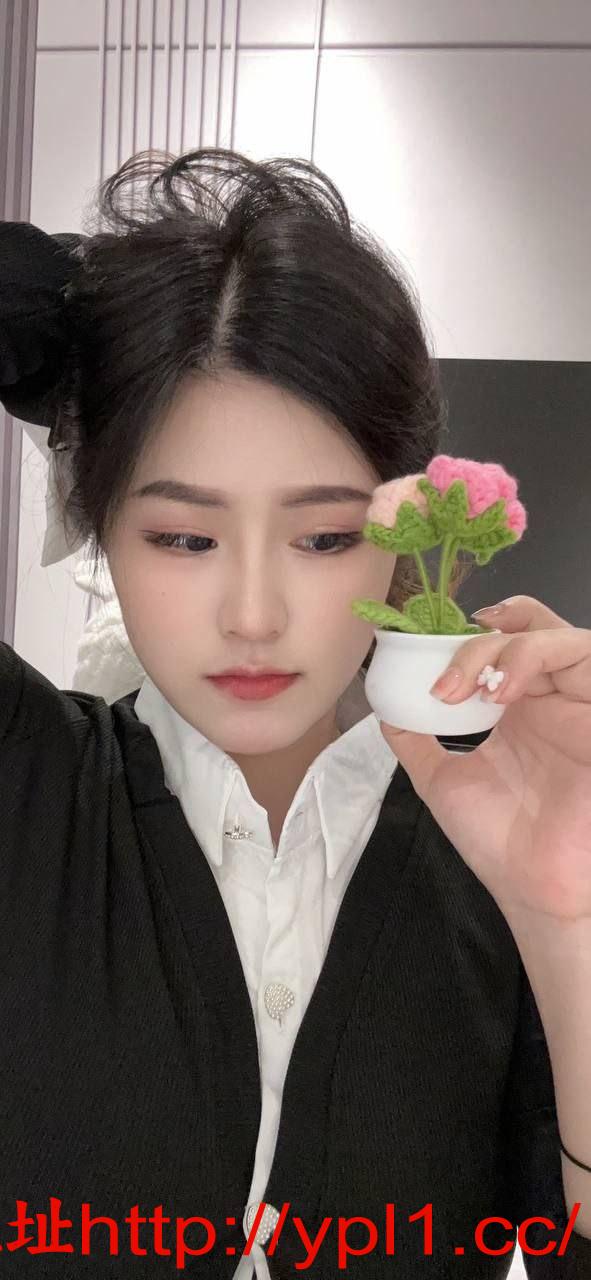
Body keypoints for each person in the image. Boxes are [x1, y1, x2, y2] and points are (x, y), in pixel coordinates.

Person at [1, 148, 589, 1278]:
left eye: (324, 537)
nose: (254, 615)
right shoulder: (24, 784)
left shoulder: (499, 854)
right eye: (183, 536)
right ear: (98, 523)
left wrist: (570, 929)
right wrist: (62, 307)